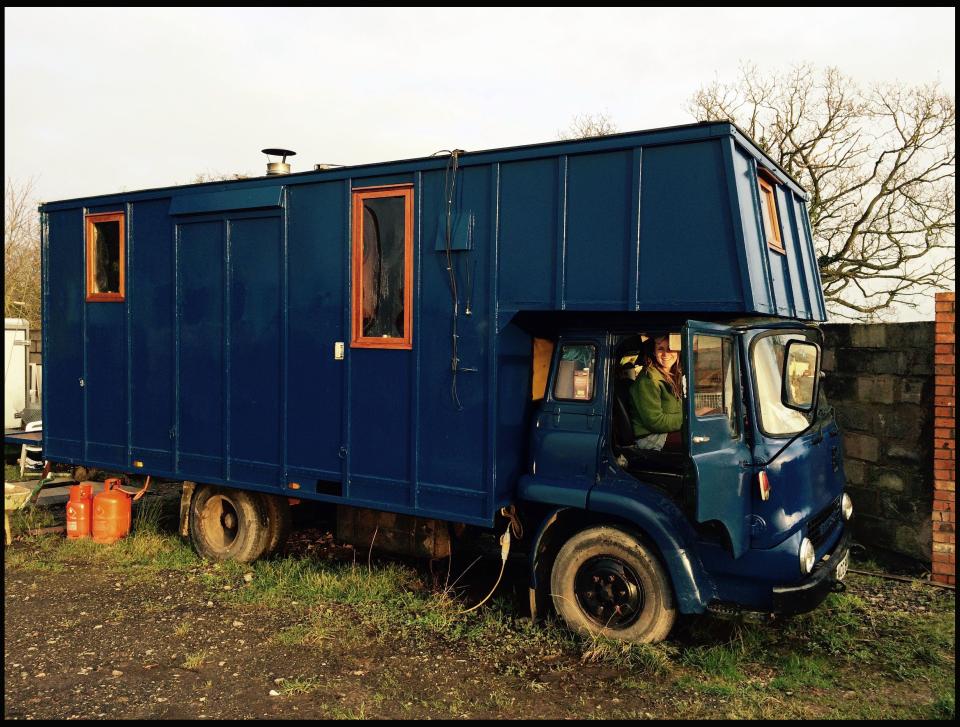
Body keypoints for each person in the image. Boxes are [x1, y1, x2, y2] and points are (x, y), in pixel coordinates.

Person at [627, 335, 684, 451]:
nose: (666, 354)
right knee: (704, 438)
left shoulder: (670, 376)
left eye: (670, 348)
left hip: (667, 431)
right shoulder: (648, 380)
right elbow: (656, 422)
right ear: (653, 351)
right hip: (652, 437)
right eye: (660, 349)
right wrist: (688, 418)